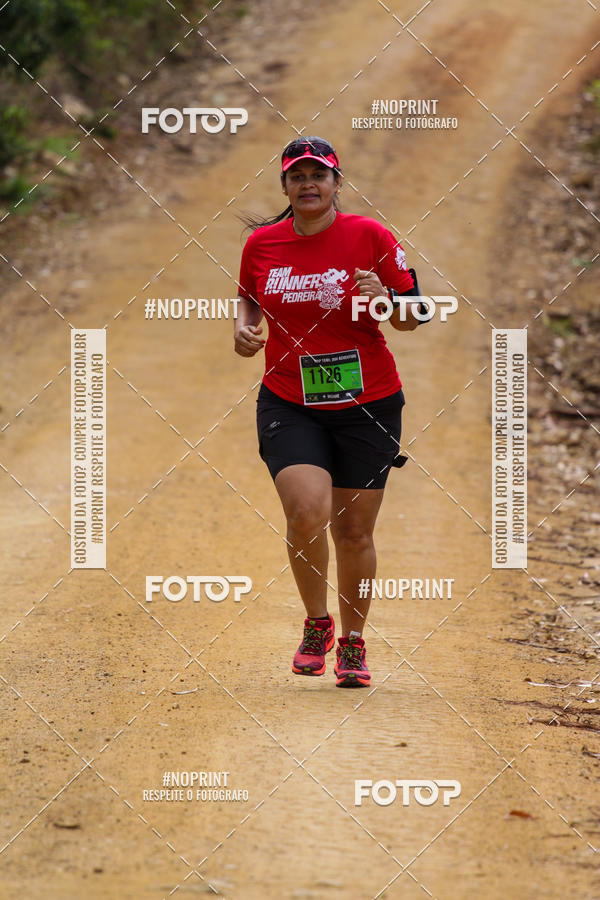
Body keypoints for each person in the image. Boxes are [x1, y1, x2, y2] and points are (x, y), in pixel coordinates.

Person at [234, 136, 423, 687]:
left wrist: (381, 299)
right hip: (291, 401)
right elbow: (248, 295)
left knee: (355, 534)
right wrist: (245, 329)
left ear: (337, 184)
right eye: (298, 176)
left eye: (320, 175)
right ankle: (317, 622)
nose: (309, 184)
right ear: (286, 187)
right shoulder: (263, 245)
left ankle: (354, 643)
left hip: (369, 403)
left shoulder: (371, 237)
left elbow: (413, 316)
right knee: (306, 512)